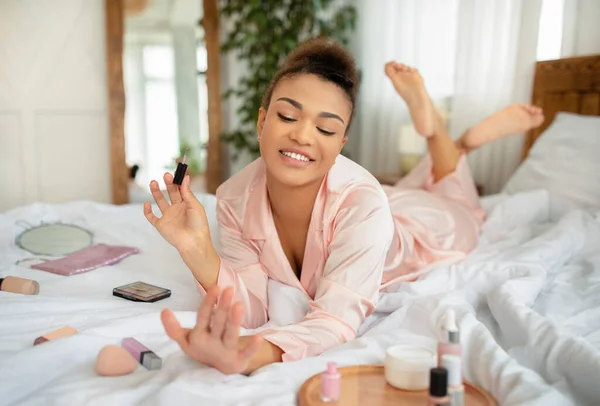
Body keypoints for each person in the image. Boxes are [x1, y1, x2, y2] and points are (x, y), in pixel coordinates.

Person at [143, 38, 544, 375]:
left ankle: (455, 137)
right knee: (421, 186)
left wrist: (251, 353)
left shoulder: (363, 203)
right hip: (379, 203)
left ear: (340, 146)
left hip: (419, 229)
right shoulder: (233, 196)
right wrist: (197, 250)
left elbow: (336, 319)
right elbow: (251, 306)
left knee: (460, 205)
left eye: (325, 128)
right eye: (287, 116)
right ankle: (453, 143)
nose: (301, 135)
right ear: (262, 120)